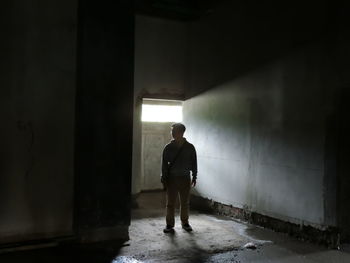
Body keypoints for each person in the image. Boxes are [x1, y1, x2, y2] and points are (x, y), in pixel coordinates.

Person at [161, 123, 197, 233]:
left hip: (185, 178)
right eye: (171, 131)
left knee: (185, 203)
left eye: (174, 131)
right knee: (170, 203)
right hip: (172, 179)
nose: (171, 133)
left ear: (181, 132)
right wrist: (164, 177)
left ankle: (185, 223)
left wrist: (195, 176)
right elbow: (164, 164)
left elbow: (194, 162)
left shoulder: (190, 147)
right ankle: (169, 225)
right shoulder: (168, 147)